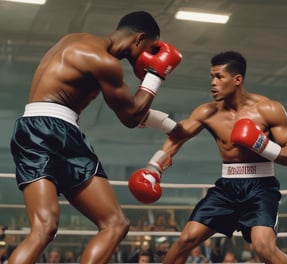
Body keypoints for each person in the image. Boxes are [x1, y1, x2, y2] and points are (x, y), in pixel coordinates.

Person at [9, 11, 182, 264]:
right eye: (150, 48)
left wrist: (170, 126)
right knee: (80, 226)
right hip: (50, 131)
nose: (150, 55)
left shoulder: (76, 41)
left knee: (80, 226)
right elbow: (131, 117)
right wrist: (156, 74)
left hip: (42, 129)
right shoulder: (103, 61)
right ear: (139, 39)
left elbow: (130, 110)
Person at [129, 51, 287, 264]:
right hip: (227, 188)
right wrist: (154, 167)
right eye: (212, 77)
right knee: (186, 239)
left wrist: (262, 145)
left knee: (263, 247)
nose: (213, 83)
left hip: (260, 188)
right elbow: (178, 136)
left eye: (219, 77)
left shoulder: (268, 109)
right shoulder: (207, 112)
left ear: (237, 79)